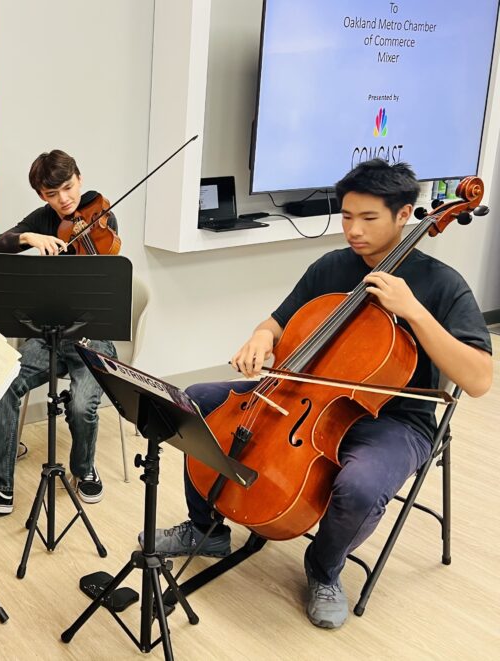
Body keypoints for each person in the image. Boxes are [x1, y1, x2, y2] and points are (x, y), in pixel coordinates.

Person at [145, 159, 493, 630]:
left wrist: (413, 311)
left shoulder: (442, 284)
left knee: (362, 485)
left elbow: (478, 380)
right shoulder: (332, 266)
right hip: (302, 393)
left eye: (368, 219)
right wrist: (261, 337)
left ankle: (324, 568)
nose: (353, 230)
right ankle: (205, 527)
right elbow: (280, 321)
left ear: (404, 214)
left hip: (396, 418)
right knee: (198, 400)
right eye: (347, 216)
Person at [0, 150, 118, 514]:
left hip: (94, 335)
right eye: (52, 194)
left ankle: (84, 469)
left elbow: (102, 261)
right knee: (3, 382)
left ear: (80, 178)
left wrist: (78, 243)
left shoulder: (100, 215)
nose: (64, 200)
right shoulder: (43, 219)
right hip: (48, 333)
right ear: (42, 196)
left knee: (80, 404)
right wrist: (28, 238)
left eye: (69, 188)